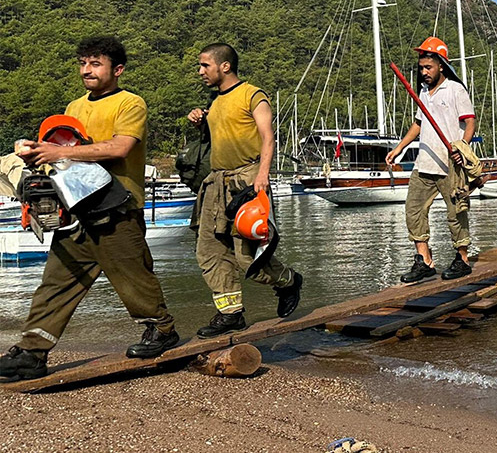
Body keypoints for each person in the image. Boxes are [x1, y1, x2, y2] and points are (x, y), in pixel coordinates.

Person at [1, 37, 178, 380]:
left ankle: (162, 330)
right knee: (56, 281)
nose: (87, 70)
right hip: (77, 210)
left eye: (96, 64)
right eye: (83, 63)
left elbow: (120, 148)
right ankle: (32, 353)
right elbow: (62, 147)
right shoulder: (74, 107)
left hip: (118, 207)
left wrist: (58, 154)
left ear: (118, 70)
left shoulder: (131, 103)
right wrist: (34, 148)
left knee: (134, 277)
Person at [188, 43, 302, 338]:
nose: (200, 71)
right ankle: (231, 314)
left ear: (224, 66)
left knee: (247, 256)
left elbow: (268, 137)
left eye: (205, 65)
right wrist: (201, 119)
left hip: (248, 179)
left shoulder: (253, 95)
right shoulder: (215, 103)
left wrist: (263, 175)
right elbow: (220, 137)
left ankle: (288, 281)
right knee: (210, 250)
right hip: (217, 182)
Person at [385, 37, 477, 283]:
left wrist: (463, 146)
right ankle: (424, 260)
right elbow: (418, 124)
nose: (424, 72)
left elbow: (470, 122)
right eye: (421, 68)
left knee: (456, 211)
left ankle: (463, 259)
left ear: (441, 67)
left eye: (429, 68)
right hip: (425, 161)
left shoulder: (456, 90)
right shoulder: (424, 92)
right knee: (413, 210)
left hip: (450, 163)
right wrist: (399, 148)